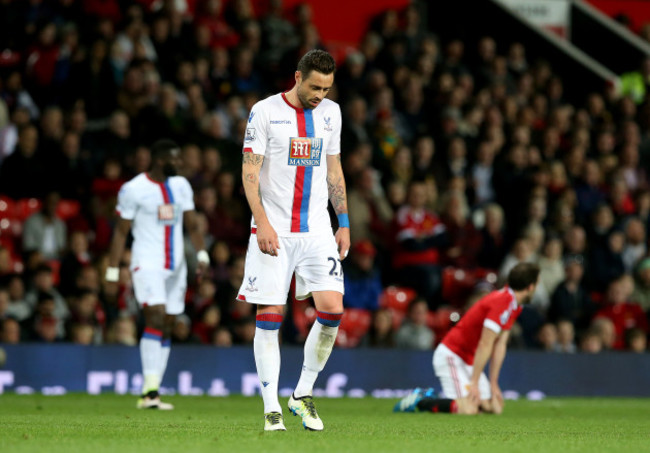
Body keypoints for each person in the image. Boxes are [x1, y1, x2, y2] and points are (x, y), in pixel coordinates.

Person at [238, 49, 350, 431]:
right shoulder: (265, 111)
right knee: (270, 316)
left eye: (327, 88)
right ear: (297, 77)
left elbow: (333, 169)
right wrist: (262, 223)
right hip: (275, 229)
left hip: (317, 228)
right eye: (315, 87)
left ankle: (301, 394)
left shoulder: (331, 114)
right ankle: (271, 409)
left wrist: (344, 221)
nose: (321, 95)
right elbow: (249, 174)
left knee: (332, 310)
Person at [105, 139, 209, 410]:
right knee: (156, 316)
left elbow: (192, 223)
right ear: (161, 160)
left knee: (169, 324)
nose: (180, 164)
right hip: (147, 263)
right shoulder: (134, 189)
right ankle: (149, 392)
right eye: (176, 160)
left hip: (176, 266)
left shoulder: (181, 186)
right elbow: (120, 231)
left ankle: (153, 392)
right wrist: (113, 271)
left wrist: (201, 254)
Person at [394, 262, 540, 415]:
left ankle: (454, 400)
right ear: (530, 286)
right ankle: (421, 401)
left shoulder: (515, 306)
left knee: (494, 408)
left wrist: (494, 383)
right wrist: (474, 383)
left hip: (469, 360)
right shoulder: (502, 302)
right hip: (452, 355)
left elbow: (500, 345)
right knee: (468, 410)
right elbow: (485, 343)